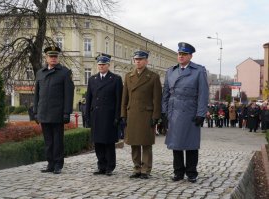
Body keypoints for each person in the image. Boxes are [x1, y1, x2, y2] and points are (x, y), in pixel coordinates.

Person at [161, 42, 208, 183]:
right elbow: (165, 94)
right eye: (179, 54)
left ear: (190, 56)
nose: (180, 56)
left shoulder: (199, 71)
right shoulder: (170, 71)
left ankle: (192, 172)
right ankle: (178, 172)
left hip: (190, 111)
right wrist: (164, 112)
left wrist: (201, 113)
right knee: (176, 144)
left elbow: (203, 94)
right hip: (174, 111)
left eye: (184, 54)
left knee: (191, 144)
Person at [121, 50, 162, 179]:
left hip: (146, 114)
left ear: (146, 61)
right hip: (132, 113)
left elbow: (157, 99)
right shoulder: (128, 76)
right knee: (134, 143)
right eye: (136, 59)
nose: (138, 61)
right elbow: (124, 97)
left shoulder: (153, 77)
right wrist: (123, 114)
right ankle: (136, 168)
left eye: (140, 59)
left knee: (146, 143)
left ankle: (145, 170)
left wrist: (156, 116)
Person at [34, 46, 74, 174]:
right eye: (51, 57)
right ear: (46, 58)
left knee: (58, 141)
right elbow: (37, 94)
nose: (53, 59)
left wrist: (67, 112)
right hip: (44, 113)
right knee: (48, 141)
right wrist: (35, 112)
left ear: (58, 58)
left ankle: (58, 164)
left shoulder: (65, 72)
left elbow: (69, 94)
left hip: (58, 113)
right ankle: (50, 163)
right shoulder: (40, 73)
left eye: (55, 56)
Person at [85, 53, 123, 176]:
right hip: (96, 115)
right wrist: (87, 116)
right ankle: (101, 165)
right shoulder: (92, 79)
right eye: (99, 64)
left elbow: (119, 100)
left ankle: (110, 167)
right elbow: (89, 99)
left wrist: (118, 116)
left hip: (109, 116)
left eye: (103, 64)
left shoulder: (116, 79)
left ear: (108, 65)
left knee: (109, 143)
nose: (101, 66)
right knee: (98, 142)